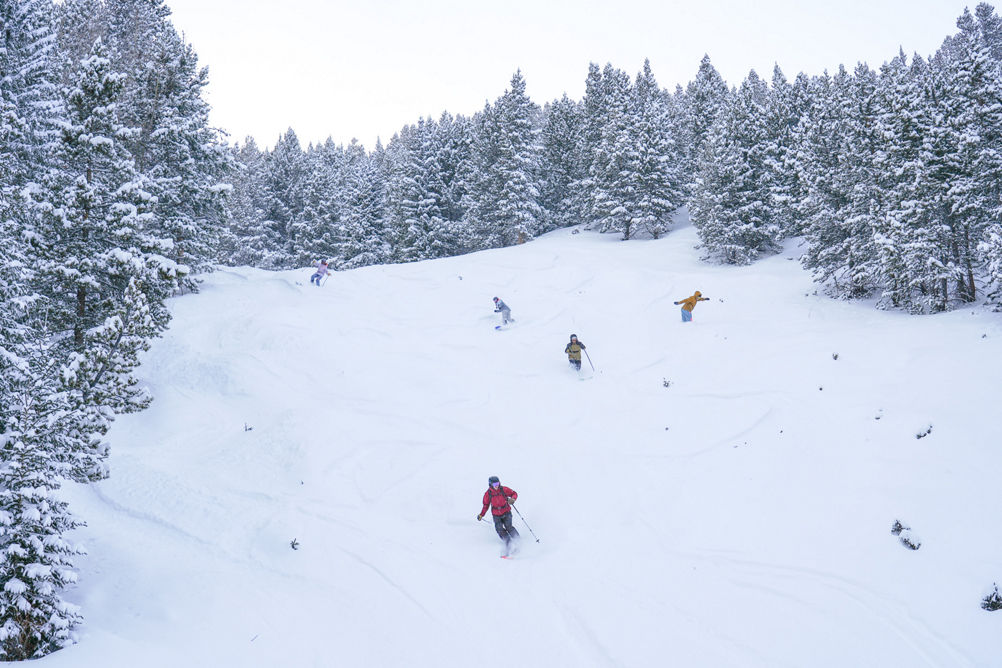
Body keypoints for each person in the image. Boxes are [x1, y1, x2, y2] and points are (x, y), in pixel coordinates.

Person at [477, 475, 520, 551]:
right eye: (494, 484)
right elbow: (485, 506)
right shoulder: (488, 494)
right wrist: (481, 515)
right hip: (496, 515)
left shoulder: (504, 489)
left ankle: (518, 541)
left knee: (509, 527)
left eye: (498, 483)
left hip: (506, 512)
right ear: (490, 484)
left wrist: (513, 499)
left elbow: (514, 493)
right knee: (499, 529)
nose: (497, 486)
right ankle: (508, 542)